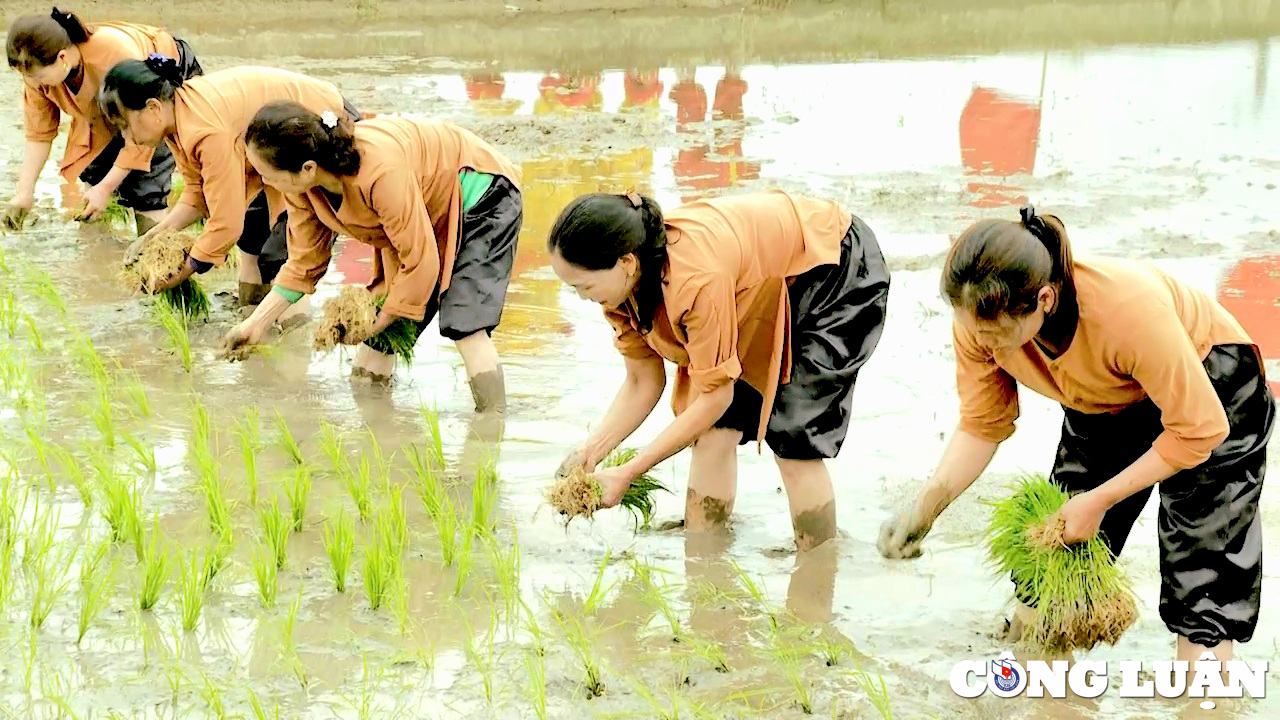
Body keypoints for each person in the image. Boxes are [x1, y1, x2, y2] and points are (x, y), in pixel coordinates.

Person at [877, 206, 1273, 664]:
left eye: (999, 333)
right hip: (1106, 396)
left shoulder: (1126, 311)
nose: (986, 344)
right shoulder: (980, 321)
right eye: (973, 330)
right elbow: (984, 424)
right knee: (1055, 546)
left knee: (1204, 567)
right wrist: (927, 508)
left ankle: (1204, 695)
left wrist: (1099, 500)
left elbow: (1199, 431)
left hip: (1211, 383)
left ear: (1045, 299)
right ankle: (1041, 683)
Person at [549, 191, 891, 552]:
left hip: (831, 266)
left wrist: (628, 473)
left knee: (794, 439)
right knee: (712, 431)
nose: (580, 297)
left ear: (627, 262)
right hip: (754, 284)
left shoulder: (694, 280)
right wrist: (591, 451)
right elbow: (642, 381)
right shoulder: (617, 293)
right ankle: (704, 557)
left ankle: (817, 564)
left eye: (583, 286)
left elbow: (716, 395)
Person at [219, 103, 522, 413]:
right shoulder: (301, 190)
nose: (265, 183)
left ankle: (490, 426)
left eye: (268, 175)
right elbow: (303, 263)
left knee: (465, 322)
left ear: (307, 168)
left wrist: (375, 322)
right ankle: (379, 429)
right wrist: (256, 324)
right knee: (367, 366)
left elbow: (420, 261)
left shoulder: (379, 172)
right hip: (421, 215)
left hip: (482, 195)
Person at [98, 60, 362, 309]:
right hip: (271, 152)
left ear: (154, 108)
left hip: (321, 131)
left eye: (125, 125)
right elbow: (197, 193)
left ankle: (292, 343)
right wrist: (153, 236)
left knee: (284, 259)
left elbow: (226, 224)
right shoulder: (178, 120)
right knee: (254, 241)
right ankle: (258, 325)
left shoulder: (205, 130)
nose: (126, 136)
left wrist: (183, 271)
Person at [4, 7, 202, 235]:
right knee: (94, 170)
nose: (33, 83)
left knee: (146, 185)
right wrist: (24, 193)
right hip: (108, 101)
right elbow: (39, 134)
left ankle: (154, 255)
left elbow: (143, 131)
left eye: (38, 77)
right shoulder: (36, 76)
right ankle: (98, 254)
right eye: (27, 77)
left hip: (157, 86)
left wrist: (106, 188)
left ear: (62, 58)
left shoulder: (115, 55)